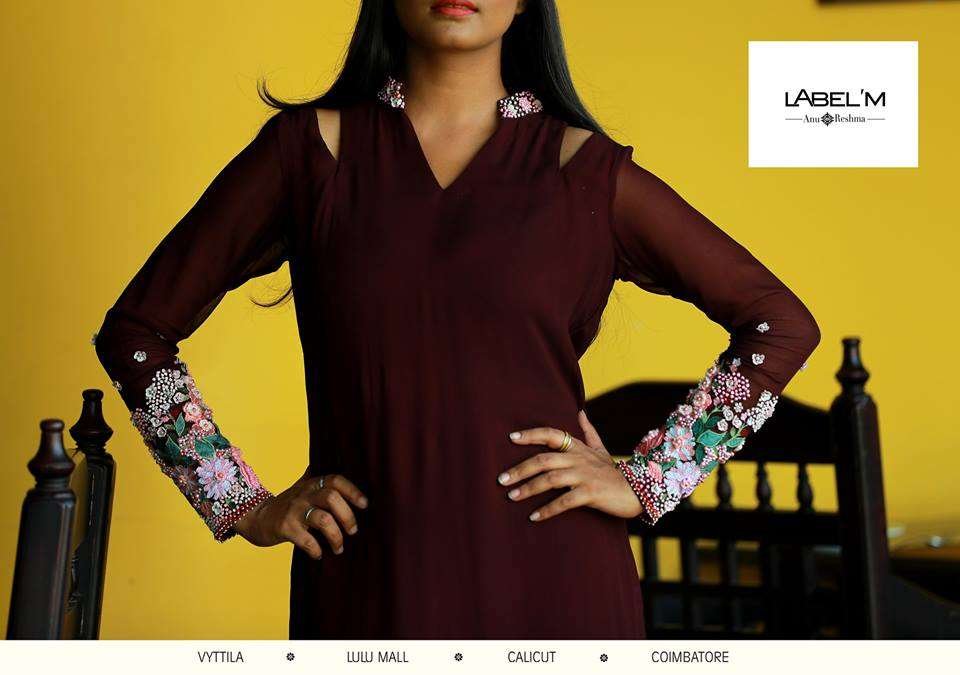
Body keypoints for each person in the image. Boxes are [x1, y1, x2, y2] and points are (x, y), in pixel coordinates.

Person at [94, 0, 820, 639]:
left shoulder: (584, 169)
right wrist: (238, 501)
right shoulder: (310, 155)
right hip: (367, 588)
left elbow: (779, 323)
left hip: (556, 587)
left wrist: (651, 477)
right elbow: (135, 332)